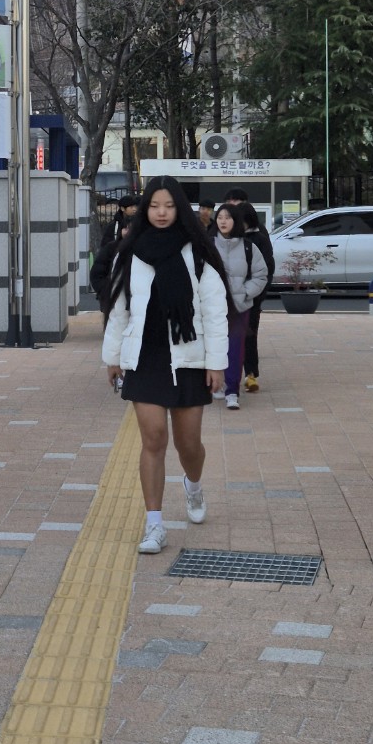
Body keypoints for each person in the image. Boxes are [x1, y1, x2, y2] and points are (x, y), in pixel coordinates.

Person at [102, 175, 231, 555]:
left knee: (188, 444)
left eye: (169, 206)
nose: (161, 213)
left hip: (190, 356)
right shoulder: (130, 253)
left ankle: (193, 485)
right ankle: (154, 524)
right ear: (146, 208)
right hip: (145, 357)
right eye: (155, 206)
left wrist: (217, 364)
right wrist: (112, 357)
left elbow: (215, 312)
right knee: (154, 439)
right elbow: (118, 309)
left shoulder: (198, 252)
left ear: (180, 209)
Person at [213, 202, 269, 410]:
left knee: (235, 349)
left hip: (238, 308)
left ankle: (232, 392)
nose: (223, 221)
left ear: (235, 221)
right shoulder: (208, 245)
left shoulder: (248, 247)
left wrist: (245, 292)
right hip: (213, 307)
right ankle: (216, 384)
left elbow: (261, 275)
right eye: (220, 217)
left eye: (228, 217)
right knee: (214, 347)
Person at [241, 202, 276, 393]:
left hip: (253, 297)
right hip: (231, 297)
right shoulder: (229, 238)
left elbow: (267, 268)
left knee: (249, 335)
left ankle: (251, 374)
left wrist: (259, 294)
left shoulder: (259, 239)